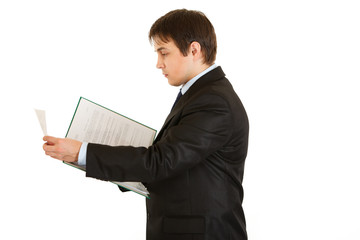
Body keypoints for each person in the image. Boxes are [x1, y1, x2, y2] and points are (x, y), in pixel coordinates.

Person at [43, 9, 249, 240]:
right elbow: (172, 164)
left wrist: (83, 152)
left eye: (164, 53)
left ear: (194, 49)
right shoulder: (201, 94)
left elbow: (161, 162)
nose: (158, 64)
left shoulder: (214, 101)